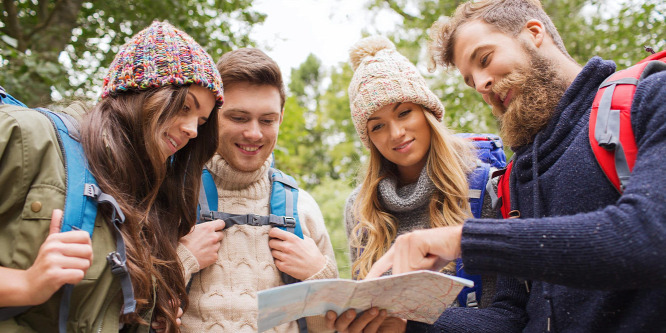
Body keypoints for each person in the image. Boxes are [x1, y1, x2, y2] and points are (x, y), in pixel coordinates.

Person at [365, 0, 666, 332]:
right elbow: (510, 319)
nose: (480, 84)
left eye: (485, 59)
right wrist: (408, 324)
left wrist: (462, 240)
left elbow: (650, 233)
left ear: (534, 33)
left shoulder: (650, 97)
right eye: (470, 80)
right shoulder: (515, 180)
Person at [0, 21, 223, 332]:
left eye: (201, 121)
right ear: (138, 92)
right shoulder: (26, 135)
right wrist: (24, 284)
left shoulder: (144, 197)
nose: (192, 130)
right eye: (185, 106)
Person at [325, 36, 501, 332]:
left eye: (404, 112)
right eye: (377, 126)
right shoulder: (360, 208)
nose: (395, 133)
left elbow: (507, 317)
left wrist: (410, 325)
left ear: (427, 112)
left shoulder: (484, 188)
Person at [177, 47, 338, 332]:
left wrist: (318, 275)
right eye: (238, 118)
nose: (254, 133)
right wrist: (183, 259)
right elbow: (131, 309)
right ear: (212, 114)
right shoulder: (171, 195)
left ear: (281, 116)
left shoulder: (303, 208)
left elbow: (327, 328)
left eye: (267, 120)